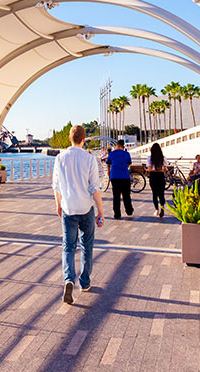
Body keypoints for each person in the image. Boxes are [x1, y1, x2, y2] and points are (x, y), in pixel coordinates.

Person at [51, 124, 104, 304]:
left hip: (68, 208)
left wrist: (58, 204)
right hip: (86, 208)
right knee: (87, 246)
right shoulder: (89, 159)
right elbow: (94, 188)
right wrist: (100, 211)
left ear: (69, 138)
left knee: (68, 247)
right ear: (83, 139)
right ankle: (85, 282)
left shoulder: (60, 158)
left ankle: (68, 279)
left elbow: (56, 186)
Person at [105, 139, 133, 219]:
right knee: (126, 195)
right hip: (125, 176)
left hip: (115, 176)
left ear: (117, 145)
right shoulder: (126, 153)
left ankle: (117, 213)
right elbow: (129, 163)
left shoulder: (112, 153)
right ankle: (129, 211)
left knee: (116, 196)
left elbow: (108, 163)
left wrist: (108, 171)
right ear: (123, 145)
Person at [146, 143, 166, 217]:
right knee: (161, 193)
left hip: (153, 176)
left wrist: (146, 169)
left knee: (154, 194)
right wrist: (160, 170)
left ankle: (157, 210)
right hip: (161, 176)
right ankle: (162, 208)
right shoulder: (163, 158)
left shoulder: (150, 158)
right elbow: (164, 169)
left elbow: (150, 169)